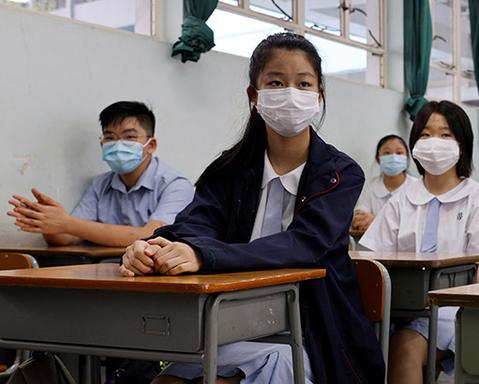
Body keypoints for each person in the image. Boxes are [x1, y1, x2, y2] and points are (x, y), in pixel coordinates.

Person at [120, 32, 384, 383]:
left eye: (303, 84)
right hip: (225, 321)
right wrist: (153, 247)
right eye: (276, 82)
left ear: (319, 96)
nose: (291, 93)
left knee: (270, 364)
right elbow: (194, 225)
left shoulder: (340, 174)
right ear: (254, 95)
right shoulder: (230, 169)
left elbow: (304, 245)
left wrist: (205, 256)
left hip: (313, 329)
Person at [359, 100, 479, 384]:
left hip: (451, 310)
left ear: (462, 144)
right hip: (394, 309)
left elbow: (477, 277)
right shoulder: (401, 200)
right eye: (425, 135)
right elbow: (374, 261)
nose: (433, 143)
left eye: (445, 135)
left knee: (404, 349)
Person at [7, 101, 193, 247]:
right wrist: (47, 220)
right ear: (102, 144)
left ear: (151, 145)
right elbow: (66, 239)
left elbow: (150, 235)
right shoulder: (100, 184)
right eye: (110, 137)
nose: (118, 144)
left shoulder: (176, 185)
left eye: (129, 137)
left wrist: (67, 223)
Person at [351, 134, 416, 232]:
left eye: (399, 153)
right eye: (387, 153)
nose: (393, 157)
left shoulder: (417, 187)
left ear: (407, 158)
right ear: (378, 159)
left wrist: (377, 220)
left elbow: (417, 222)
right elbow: (359, 219)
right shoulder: (370, 187)